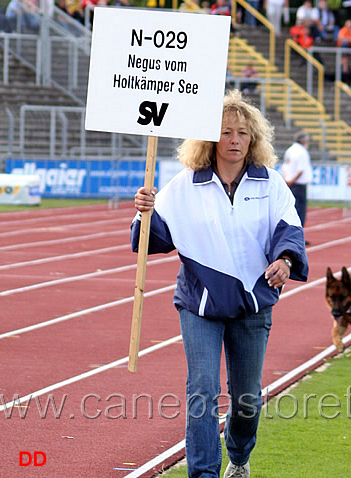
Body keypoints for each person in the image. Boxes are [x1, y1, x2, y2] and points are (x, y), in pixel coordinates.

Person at [131, 90, 309, 478]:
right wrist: (144, 213)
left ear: (253, 139)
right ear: (209, 138)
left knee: (246, 400)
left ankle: (240, 457)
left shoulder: (271, 183)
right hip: (200, 306)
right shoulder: (184, 184)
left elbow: (290, 230)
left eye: (242, 133)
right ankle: (205, 473)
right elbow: (152, 240)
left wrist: (285, 260)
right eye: (225, 131)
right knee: (203, 392)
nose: (233, 139)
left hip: (252, 305)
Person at [282, 130, 313, 233]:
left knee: (290, 210)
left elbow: (285, 166)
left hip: (290, 183)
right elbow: (301, 170)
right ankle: (298, 235)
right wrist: (293, 180)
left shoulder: (289, 150)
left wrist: (288, 180)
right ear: (304, 141)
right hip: (299, 185)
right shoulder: (302, 152)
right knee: (300, 211)